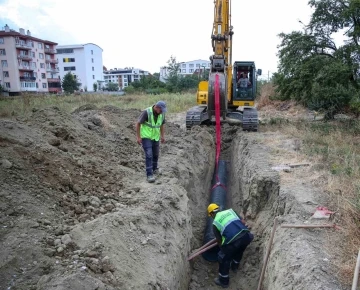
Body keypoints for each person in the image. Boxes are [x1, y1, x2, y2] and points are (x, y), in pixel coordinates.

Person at [207, 203, 254, 288]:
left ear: (211, 214)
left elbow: (219, 241)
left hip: (233, 241)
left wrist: (224, 251)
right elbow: (243, 222)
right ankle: (235, 266)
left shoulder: (215, 223)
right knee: (239, 250)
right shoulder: (230, 211)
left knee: (223, 257)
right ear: (218, 209)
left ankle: (223, 281)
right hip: (246, 236)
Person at [136, 101, 167, 183]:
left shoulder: (162, 114)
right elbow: (138, 124)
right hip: (146, 137)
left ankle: (154, 169)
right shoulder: (147, 112)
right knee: (149, 154)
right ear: (157, 107)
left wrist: (162, 136)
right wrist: (138, 137)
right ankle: (149, 174)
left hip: (155, 137)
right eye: (161, 110)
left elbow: (161, 125)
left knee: (156, 154)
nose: (162, 112)